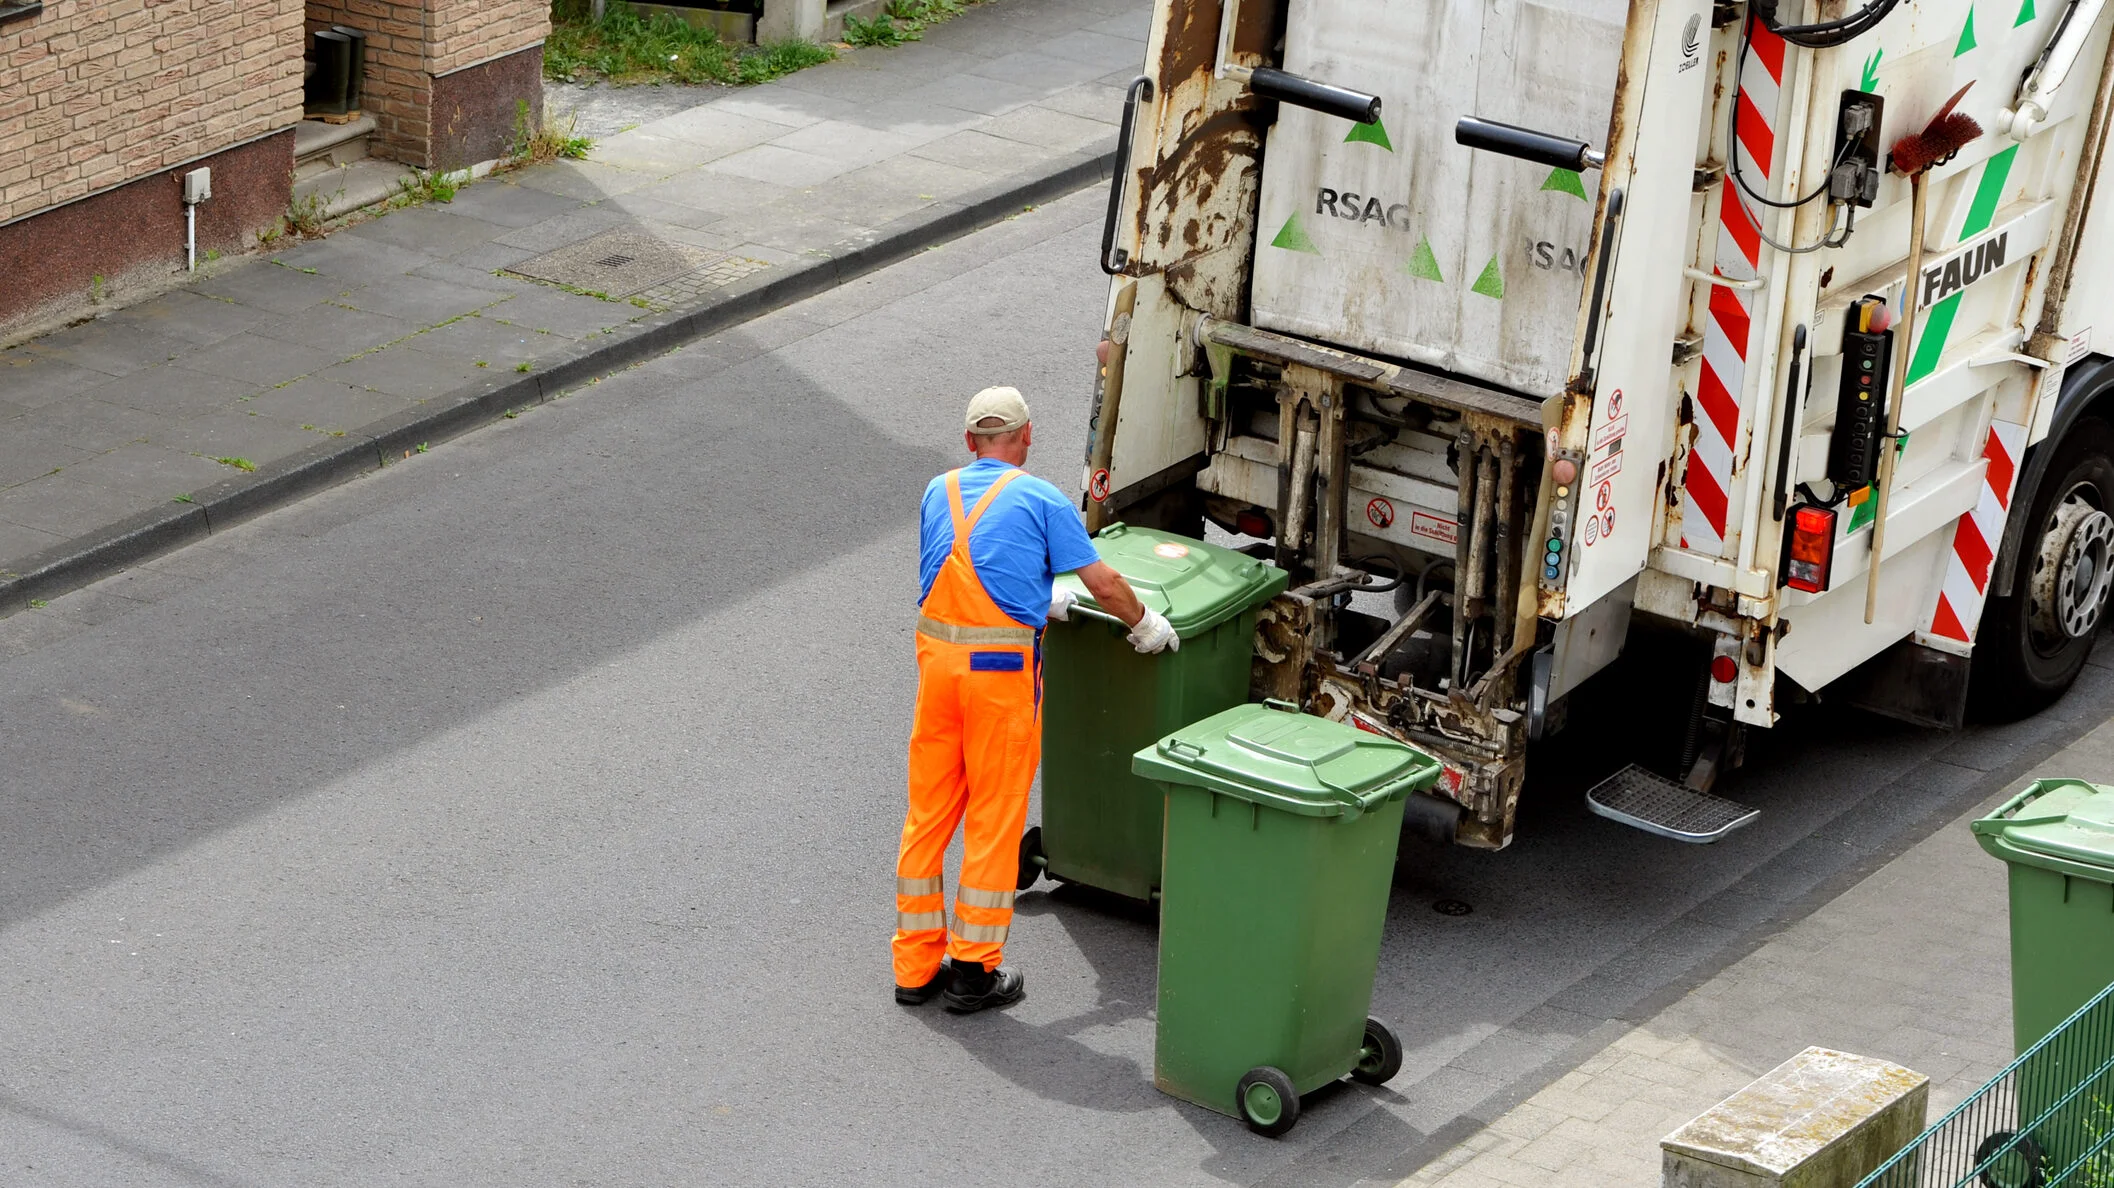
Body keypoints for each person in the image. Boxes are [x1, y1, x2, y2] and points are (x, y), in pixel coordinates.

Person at [894, 386, 1177, 1013]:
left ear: (970, 442)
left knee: (929, 817)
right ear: (1026, 438)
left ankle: (914, 970)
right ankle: (973, 971)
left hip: (937, 672)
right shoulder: (1043, 497)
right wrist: (1145, 626)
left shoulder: (936, 491)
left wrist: (1033, 594)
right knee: (994, 822)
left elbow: (955, 567)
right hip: (999, 680)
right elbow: (1103, 583)